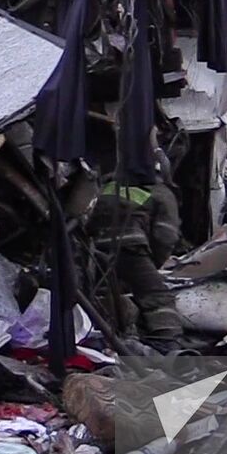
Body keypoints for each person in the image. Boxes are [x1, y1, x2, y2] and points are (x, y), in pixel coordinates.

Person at [85, 150, 186, 352]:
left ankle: (101, 330)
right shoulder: (161, 192)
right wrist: (153, 263)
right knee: (157, 297)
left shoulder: (108, 185)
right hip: (130, 247)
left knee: (99, 293)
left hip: (93, 250)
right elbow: (165, 235)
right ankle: (168, 341)